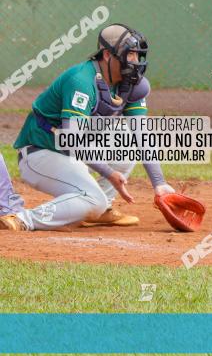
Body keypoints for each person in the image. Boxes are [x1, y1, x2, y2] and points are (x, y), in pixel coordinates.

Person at [0, 24, 178, 232]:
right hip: (41, 154)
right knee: (93, 199)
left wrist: (159, 184)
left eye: (137, 56)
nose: (135, 62)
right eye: (129, 54)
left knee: (126, 141)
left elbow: (141, 136)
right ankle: (24, 219)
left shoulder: (132, 85)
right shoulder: (82, 81)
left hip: (75, 154)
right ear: (107, 55)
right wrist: (109, 172)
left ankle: (100, 211)